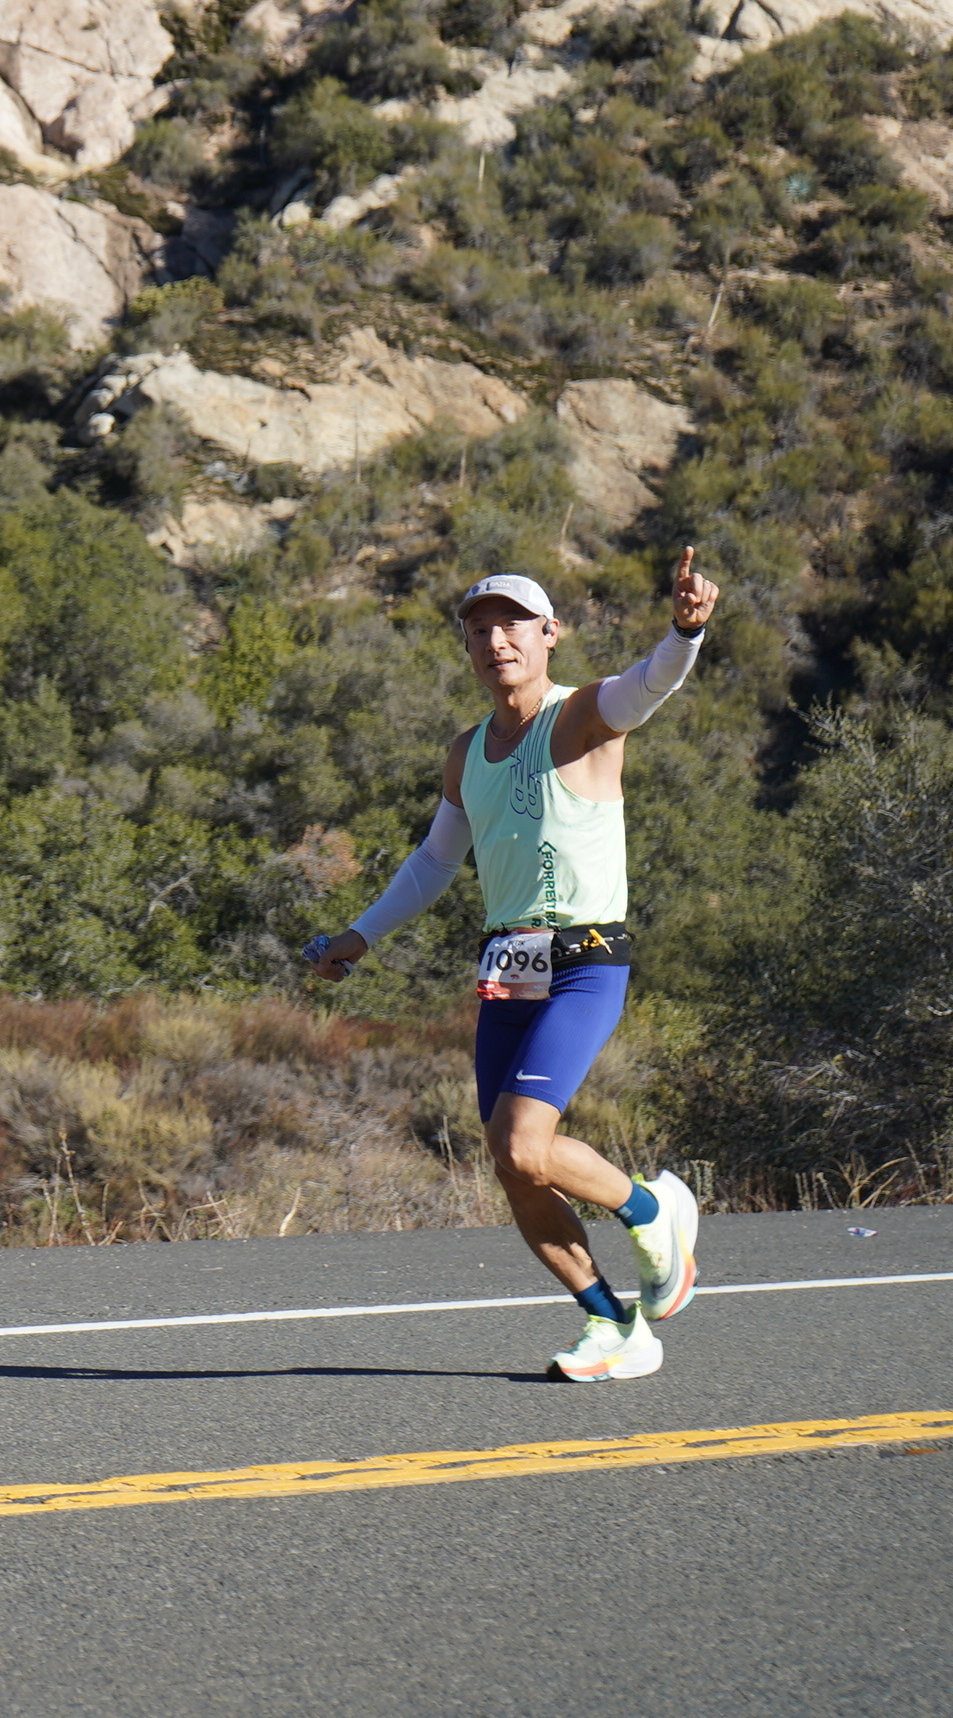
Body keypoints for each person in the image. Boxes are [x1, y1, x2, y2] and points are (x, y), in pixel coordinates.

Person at [306, 553, 719, 1381]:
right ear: (467, 646)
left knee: (528, 1145)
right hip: (508, 965)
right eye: (479, 629)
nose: (496, 641)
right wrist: (360, 935)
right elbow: (434, 862)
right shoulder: (466, 753)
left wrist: (685, 631)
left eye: (512, 625)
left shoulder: (583, 717)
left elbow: (651, 684)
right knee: (509, 1159)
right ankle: (614, 1326)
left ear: (549, 634)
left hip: (586, 957)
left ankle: (653, 1210)